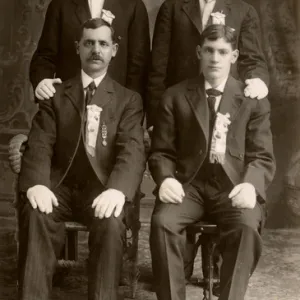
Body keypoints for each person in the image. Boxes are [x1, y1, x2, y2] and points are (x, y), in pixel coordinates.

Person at [17, 18, 146, 300]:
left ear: (114, 50)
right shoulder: (57, 94)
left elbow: (132, 149)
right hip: (60, 187)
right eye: (89, 43)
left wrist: (118, 189)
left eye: (102, 44)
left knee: (112, 222)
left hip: (100, 188)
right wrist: (37, 183)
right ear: (78, 48)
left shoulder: (128, 100)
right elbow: (39, 142)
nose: (95, 50)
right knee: (36, 211)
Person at [149, 24, 275, 300]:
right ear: (198, 53)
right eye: (209, 50)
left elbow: (262, 155)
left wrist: (251, 186)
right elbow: (161, 151)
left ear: (234, 56)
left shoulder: (252, 101)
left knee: (245, 226)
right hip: (189, 186)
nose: (215, 58)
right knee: (162, 222)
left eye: (222, 51)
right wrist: (166, 178)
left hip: (231, 186)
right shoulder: (175, 95)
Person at [146, 0, 269, 127]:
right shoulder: (172, 7)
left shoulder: (244, 11)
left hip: (225, 104)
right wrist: (155, 118)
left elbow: (252, 59)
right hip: (180, 105)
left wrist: (256, 80)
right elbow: (158, 67)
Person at [30, 0, 150, 101]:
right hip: (67, 103)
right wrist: (42, 83)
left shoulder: (133, 5)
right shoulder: (61, 4)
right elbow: (44, 56)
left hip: (115, 107)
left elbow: (138, 68)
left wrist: (131, 110)